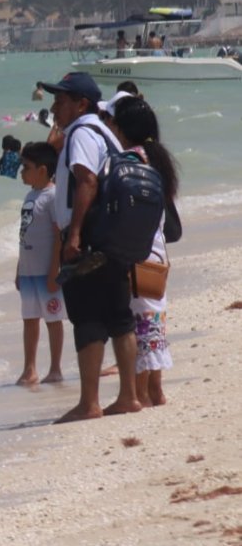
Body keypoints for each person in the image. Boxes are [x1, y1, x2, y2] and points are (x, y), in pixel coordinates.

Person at [41, 71, 140, 423]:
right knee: (119, 315)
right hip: (114, 235)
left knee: (87, 318)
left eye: (60, 100)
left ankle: (89, 403)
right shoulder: (107, 134)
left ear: (81, 103)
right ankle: (128, 396)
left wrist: (75, 235)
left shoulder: (81, 133)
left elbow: (87, 181)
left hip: (91, 237)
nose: (54, 107)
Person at [111, 97, 177, 408]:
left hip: (136, 250)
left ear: (123, 129)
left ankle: (139, 392)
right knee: (153, 320)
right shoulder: (157, 158)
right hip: (157, 251)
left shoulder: (129, 160)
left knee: (138, 320)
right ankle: (155, 390)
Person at [15, 142, 66, 386]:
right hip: (27, 270)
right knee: (29, 319)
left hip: (46, 270)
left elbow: (58, 235)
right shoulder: (30, 195)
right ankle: (29, 368)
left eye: (26, 167)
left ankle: (55, 368)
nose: (21, 172)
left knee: (53, 319)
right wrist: (18, 269)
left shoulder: (53, 195)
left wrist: (54, 269)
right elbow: (23, 234)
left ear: (43, 170)